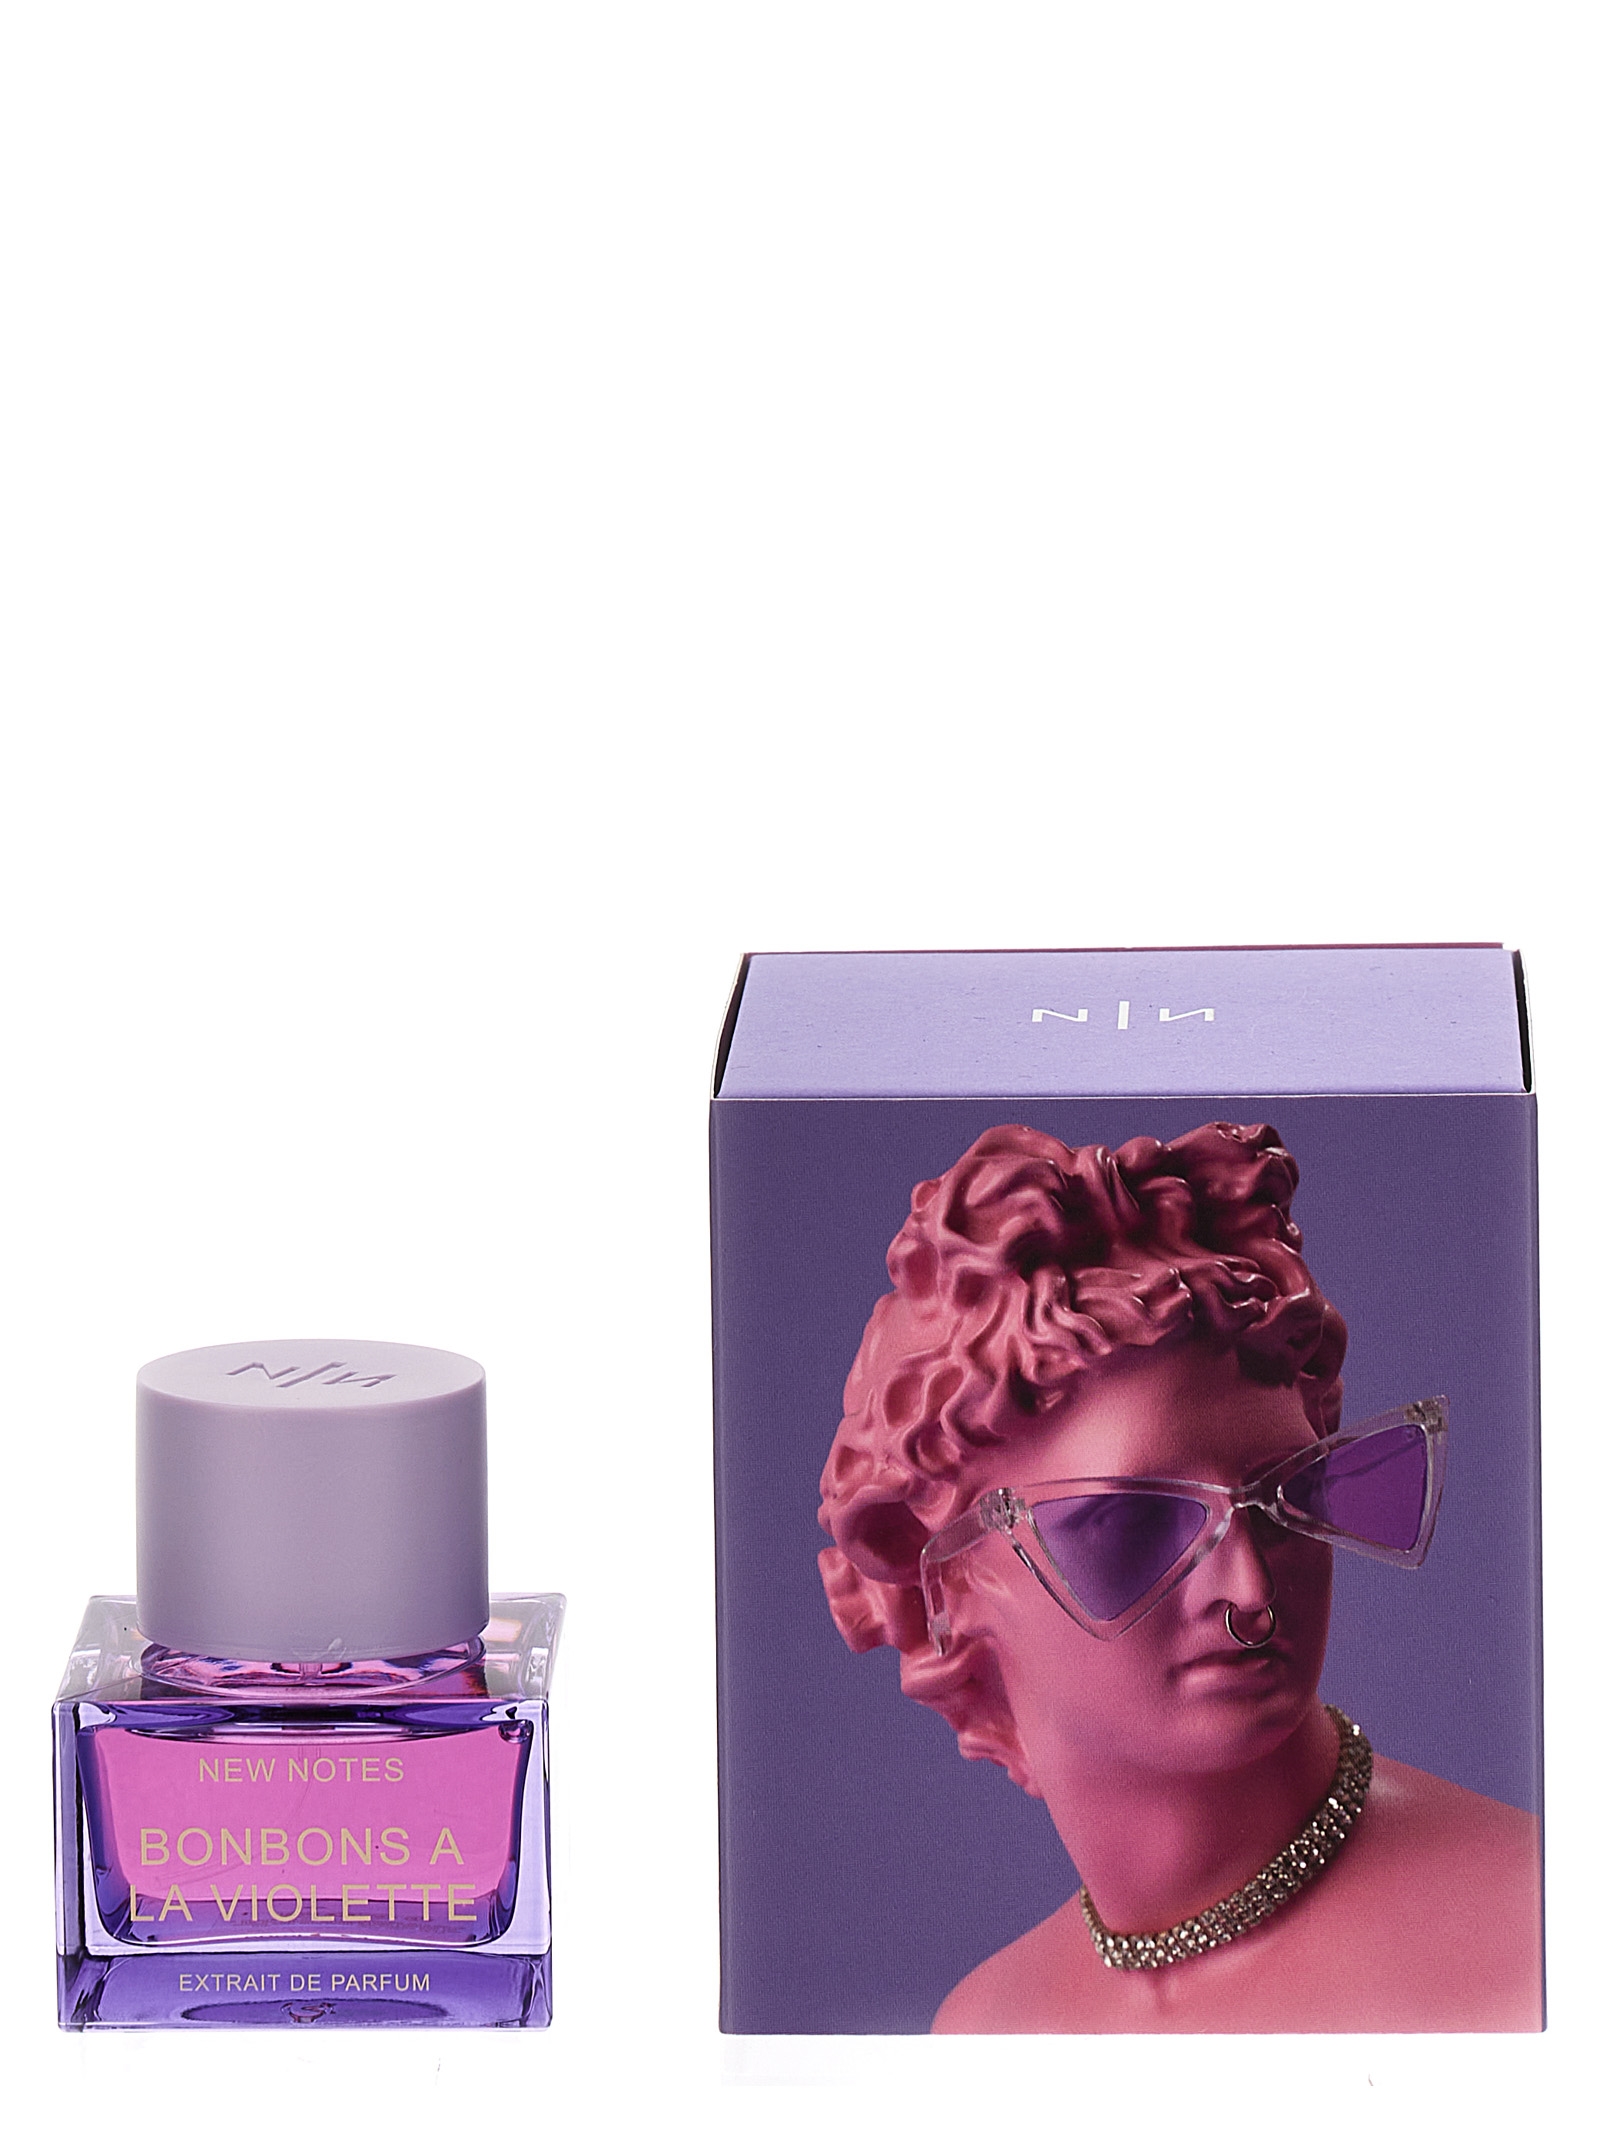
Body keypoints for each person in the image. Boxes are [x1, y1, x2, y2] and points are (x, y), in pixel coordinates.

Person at [817, 1122, 1541, 2032]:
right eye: (1133, 1524)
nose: (1250, 1593)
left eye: (1288, 1495)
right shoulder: (985, 2029)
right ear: (948, 1588)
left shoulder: (1536, 1942)